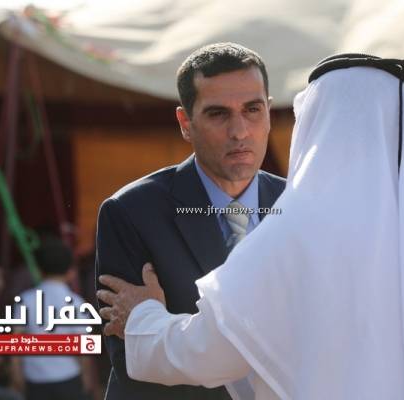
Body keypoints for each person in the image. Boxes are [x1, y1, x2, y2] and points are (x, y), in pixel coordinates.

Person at [96, 55, 404, 399]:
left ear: (317, 127)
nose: (240, 130)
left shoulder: (300, 228)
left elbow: (204, 351)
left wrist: (143, 317)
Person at [95, 42, 286, 399]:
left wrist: (152, 321)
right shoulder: (132, 212)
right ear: (186, 123)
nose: (240, 131)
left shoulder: (297, 205)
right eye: (218, 114)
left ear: (269, 112)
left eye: (252, 109)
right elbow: (133, 363)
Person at [13, 234, 95, 400]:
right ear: (70, 272)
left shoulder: (25, 300)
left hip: (35, 379)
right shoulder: (76, 302)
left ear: (38, 270)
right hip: (68, 378)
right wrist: (87, 377)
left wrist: (16, 375)